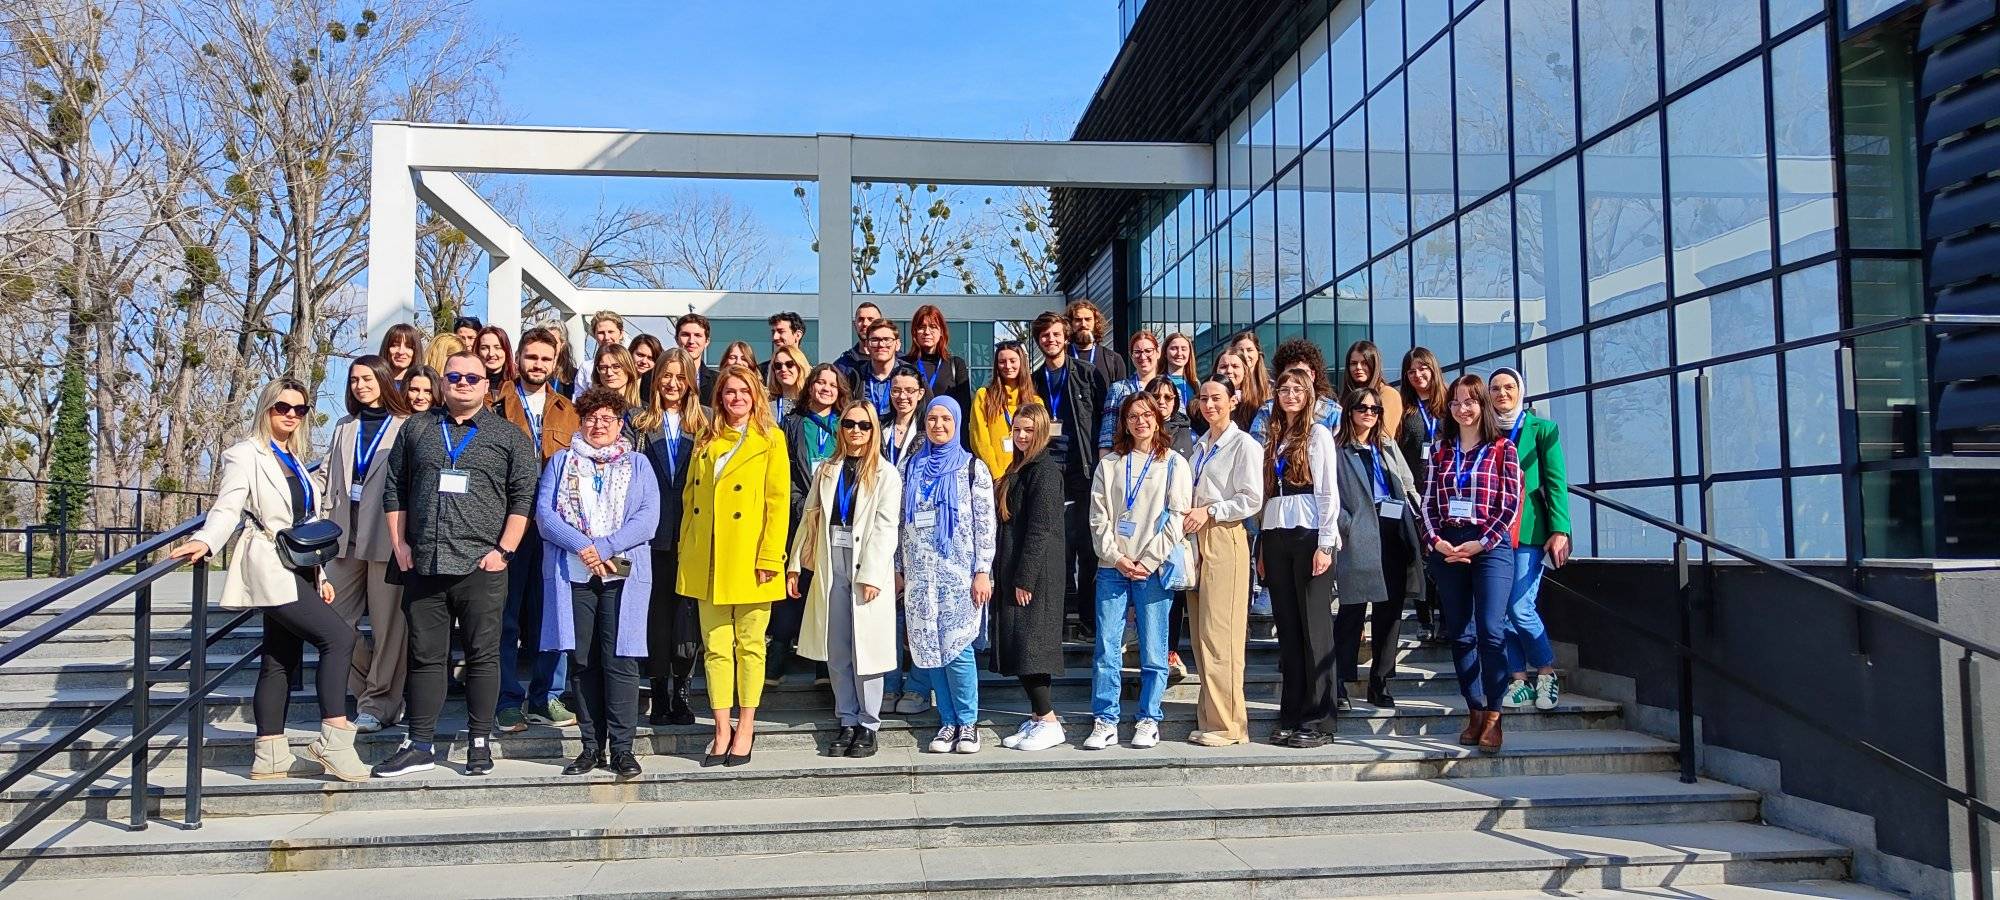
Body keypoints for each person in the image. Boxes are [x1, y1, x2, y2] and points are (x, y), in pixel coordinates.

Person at [167, 379, 369, 783]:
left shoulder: (295, 458)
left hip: (300, 566)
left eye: (300, 409)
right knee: (339, 638)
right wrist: (205, 540)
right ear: (266, 408)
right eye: (282, 407)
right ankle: (334, 740)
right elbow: (228, 508)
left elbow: (306, 522)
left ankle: (270, 755)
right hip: (269, 563)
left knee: (279, 658)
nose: (292, 415)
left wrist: (320, 573)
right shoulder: (245, 454)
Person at [374, 352, 541, 778]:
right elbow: (395, 488)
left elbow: (524, 497)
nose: (462, 383)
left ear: (487, 385)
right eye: (454, 376)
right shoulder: (417, 428)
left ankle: (479, 742)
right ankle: (420, 743)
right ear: (443, 382)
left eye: (472, 377)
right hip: (425, 561)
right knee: (425, 657)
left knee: (483, 656)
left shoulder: (509, 436)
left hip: (481, 566)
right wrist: (399, 544)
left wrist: (504, 551)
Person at [538, 388, 661, 778]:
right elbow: (545, 516)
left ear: (620, 424)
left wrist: (605, 547)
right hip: (574, 575)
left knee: (620, 660)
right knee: (583, 661)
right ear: (581, 422)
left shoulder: (638, 463)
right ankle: (591, 747)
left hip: (622, 576)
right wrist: (584, 548)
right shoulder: (561, 462)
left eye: (607, 418)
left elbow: (647, 518)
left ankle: (622, 749)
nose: (598, 425)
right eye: (591, 418)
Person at [678, 365, 789, 766]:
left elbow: (778, 503)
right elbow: (690, 498)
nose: (737, 397)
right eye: (729, 391)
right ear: (720, 397)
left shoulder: (771, 438)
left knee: (751, 646)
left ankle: (746, 726)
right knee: (716, 648)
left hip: (751, 558)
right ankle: (721, 727)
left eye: (744, 390)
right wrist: (687, 548)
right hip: (707, 557)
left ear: (755, 395)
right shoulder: (706, 438)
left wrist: (769, 556)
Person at [788, 400, 902, 758]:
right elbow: (810, 516)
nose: (856, 431)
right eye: (850, 424)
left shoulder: (886, 474)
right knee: (837, 646)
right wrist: (795, 563)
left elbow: (886, 528)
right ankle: (847, 718)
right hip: (830, 558)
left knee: (865, 648)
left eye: (864, 425)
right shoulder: (827, 469)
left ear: (874, 430)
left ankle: (869, 724)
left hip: (865, 562)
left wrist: (872, 574)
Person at [1083, 392, 1192, 751]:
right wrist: (1116, 557)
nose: (1140, 421)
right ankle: (1105, 719)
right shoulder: (1110, 463)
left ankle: (1149, 717)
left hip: (1153, 569)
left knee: (1154, 650)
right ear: (1125, 423)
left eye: (1147, 415)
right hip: (1112, 567)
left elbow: (1177, 518)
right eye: (1133, 416)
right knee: (1107, 648)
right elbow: (1098, 517)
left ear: (1158, 419)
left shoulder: (1174, 463)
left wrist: (1148, 560)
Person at [1422, 374, 1523, 753]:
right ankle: (1475, 709)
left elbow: (1510, 504)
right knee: (1461, 634)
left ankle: (1495, 714)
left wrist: (1481, 543)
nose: (1462, 409)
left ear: (1483, 404)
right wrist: (1437, 541)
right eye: (1456, 402)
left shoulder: (1502, 449)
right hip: (1449, 544)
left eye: (1470, 401)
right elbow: (1427, 501)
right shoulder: (1440, 450)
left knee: (1491, 631)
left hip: (1489, 545)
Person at [493, 328, 582, 733]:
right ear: (519, 359)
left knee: (553, 614)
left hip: (553, 525)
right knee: (505, 617)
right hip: (507, 523)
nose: (538, 365)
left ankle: (547, 697)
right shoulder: (495, 405)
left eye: (546, 359)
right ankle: (507, 699)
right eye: (532, 357)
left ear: (555, 363)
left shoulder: (569, 410)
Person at [320, 356, 412, 734]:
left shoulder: (405, 425)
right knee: (330, 619)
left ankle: (379, 703)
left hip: (387, 535)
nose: (360, 385)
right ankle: (369, 690)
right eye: (354, 379)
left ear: (384, 380)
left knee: (389, 626)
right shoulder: (344, 426)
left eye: (368, 378)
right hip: (343, 533)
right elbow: (325, 474)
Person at [900, 396, 997, 754]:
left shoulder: (972, 468)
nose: (938, 425)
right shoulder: (910, 467)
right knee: (930, 652)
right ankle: (947, 722)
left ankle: (968, 724)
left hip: (959, 576)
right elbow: (899, 522)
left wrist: (982, 571)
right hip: (920, 575)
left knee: (958, 651)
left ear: (957, 423)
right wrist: (898, 569)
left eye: (946, 419)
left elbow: (985, 524)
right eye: (932, 419)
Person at [1261, 369, 1343, 749]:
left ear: (1309, 394)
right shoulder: (1274, 437)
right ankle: (1291, 714)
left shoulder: (1318, 434)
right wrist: (1262, 548)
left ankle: (1320, 719)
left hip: (1309, 533)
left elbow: (1328, 491)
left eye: (1297, 389)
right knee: (1289, 630)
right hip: (1276, 534)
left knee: (1315, 630)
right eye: (1284, 389)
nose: (1290, 394)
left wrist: (1326, 544)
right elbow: (1267, 495)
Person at [1182, 375, 1263, 747]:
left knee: (1221, 636)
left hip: (1224, 535)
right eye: (1203, 398)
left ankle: (1230, 725)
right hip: (1196, 538)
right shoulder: (1200, 446)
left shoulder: (1244, 444)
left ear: (1234, 400)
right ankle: (1211, 717)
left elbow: (1251, 498)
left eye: (1217, 398)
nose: (1209, 405)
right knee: (1201, 636)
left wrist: (1211, 511)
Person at [1332, 385, 1424, 711]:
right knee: (1353, 609)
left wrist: (1416, 515)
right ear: (1350, 412)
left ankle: (1380, 680)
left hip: (1393, 530)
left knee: (1390, 611)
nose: (1369, 414)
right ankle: (1339, 681)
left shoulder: (1386, 445)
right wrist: (1347, 523)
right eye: (1363, 408)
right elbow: (1329, 494)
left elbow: (1407, 483)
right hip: (1359, 534)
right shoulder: (1337, 449)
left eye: (1375, 409)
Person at [1488, 366, 1571, 712]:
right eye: (1495, 388)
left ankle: (1547, 673)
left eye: (1509, 387)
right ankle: (1519, 680)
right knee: (1502, 609)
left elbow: (1555, 482)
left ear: (1520, 391)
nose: (1502, 394)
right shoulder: (1485, 429)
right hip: (1493, 531)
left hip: (1530, 531)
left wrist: (1560, 529)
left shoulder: (1542, 429)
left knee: (1520, 606)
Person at [989, 402, 1068, 752]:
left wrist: (1025, 578)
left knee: (1031, 647)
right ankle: (1038, 717)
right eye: (1017, 430)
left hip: (1035, 576)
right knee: (1023, 645)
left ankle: (1049, 721)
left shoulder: (1044, 471)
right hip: (1016, 569)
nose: (1021, 436)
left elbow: (1040, 529)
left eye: (1028, 430)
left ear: (1042, 433)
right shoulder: (1020, 466)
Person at [1031, 311, 1108, 642]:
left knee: (1088, 546)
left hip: (1083, 468)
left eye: (1056, 334)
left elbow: (1104, 420)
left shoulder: (1088, 374)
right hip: (1047, 468)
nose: (1051, 340)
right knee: (1054, 546)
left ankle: (1089, 621)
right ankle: (1058, 621)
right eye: (1044, 336)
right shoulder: (1033, 380)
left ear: (1065, 338)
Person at [641, 348, 707, 726]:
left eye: (680, 377)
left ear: (691, 383)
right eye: (666, 375)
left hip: (692, 534)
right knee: (657, 617)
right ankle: (659, 692)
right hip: (652, 537)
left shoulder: (706, 423)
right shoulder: (639, 423)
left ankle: (683, 691)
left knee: (687, 617)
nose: (672, 383)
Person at [774, 363, 848, 684]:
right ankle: (777, 655)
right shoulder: (792, 423)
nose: (826, 389)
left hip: (836, 517)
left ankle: (823, 666)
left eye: (832, 384)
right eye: (820, 383)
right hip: (801, 514)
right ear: (810, 387)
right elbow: (784, 469)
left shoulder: (846, 423)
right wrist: (801, 505)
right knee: (795, 583)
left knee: (828, 588)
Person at [880, 365, 932, 714]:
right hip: (883, 528)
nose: (902, 396)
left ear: (920, 393)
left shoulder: (930, 429)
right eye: (896, 390)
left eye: (909, 390)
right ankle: (888, 684)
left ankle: (918, 686)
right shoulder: (878, 427)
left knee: (919, 611)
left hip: (919, 533)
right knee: (887, 613)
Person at [1146, 374, 1195, 681]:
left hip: (1172, 521)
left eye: (1168, 397)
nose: (1162, 402)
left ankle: (1170, 650)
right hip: (1141, 522)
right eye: (1157, 397)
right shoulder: (1138, 427)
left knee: (1172, 588)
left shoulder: (1185, 431)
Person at [1399, 347, 1449, 643]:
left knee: (1444, 557)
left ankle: (1447, 620)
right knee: (1419, 558)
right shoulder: (1405, 409)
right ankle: (1424, 619)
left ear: (1433, 369)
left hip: (1447, 494)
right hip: (1416, 495)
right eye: (1411, 371)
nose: (1418, 375)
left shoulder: (1450, 406)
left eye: (1423, 368)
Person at [1250, 339, 1342, 442]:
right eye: (1290, 373)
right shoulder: (1268, 411)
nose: (1295, 378)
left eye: (1301, 372)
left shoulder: (1333, 413)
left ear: (1312, 375)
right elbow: (1256, 447)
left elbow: (1340, 450)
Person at [969, 340, 1031, 479]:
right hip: (994, 477)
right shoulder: (984, 396)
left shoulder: (1034, 401)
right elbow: (979, 440)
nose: (1008, 366)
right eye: (1002, 361)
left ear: (1022, 363)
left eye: (1013, 361)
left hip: (1025, 477)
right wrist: (996, 475)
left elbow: (1038, 443)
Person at [1097, 330, 1163, 454]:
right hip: (1126, 456)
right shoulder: (1118, 389)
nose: (1143, 356)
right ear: (1131, 355)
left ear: (1158, 352)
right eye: (1137, 352)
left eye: (1148, 351)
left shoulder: (1169, 390)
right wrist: (1104, 462)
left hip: (1160, 456)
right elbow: (1107, 435)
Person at [903, 304, 973, 417]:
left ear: (941, 332)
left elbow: (964, 409)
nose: (927, 332)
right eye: (921, 327)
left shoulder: (955, 365)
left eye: (933, 326)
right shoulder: (905, 364)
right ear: (914, 332)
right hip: (913, 426)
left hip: (945, 427)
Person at [1343, 340, 1403, 440]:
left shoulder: (1388, 394)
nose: (1358, 367)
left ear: (1374, 365)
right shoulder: (1346, 396)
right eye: (1353, 363)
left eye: (1364, 363)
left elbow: (1383, 435)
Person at [1067, 298, 1129, 386]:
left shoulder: (1113, 359)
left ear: (1096, 323)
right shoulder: (1060, 357)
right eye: (1078, 320)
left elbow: (1120, 393)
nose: (1083, 324)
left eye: (1088, 319)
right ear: (1070, 323)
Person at [852, 319, 901, 419]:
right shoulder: (854, 376)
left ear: (897, 344)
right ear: (867, 345)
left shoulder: (911, 376)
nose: (881, 345)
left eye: (887, 339)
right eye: (875, 340)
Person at [833, 301, 884, 382]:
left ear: (881, 324)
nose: (865, 323)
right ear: (855, 324)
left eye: (870, 319)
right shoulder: (842, 365)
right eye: (861, 319)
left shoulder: (897, 362)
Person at [676, 313, 720, 404]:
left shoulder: (718, 381)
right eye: (685, 335)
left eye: (697, 335)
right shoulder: (654, 377)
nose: (691, 341)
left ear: (707, 341)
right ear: (677, 339)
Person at [1229, 331, 1272, 423]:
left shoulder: (1271, 386)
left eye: (1249, 350)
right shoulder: (1230, 385)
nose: (1245, 355)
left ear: (1258, 353)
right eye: (1240, 350)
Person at [765, 344, 809, 420]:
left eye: (789, 364)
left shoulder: (811, 405)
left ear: (800, 367)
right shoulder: (767, 408)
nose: (783, 369)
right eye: (778, 365)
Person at [475, 326, 517, 400]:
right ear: (477, 351)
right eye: (484, 348)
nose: (491, 354)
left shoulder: (518, 382)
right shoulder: (469, 382)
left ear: (506, 351)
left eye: (497, 347)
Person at [379, 323, 425, 391]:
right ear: (386, 348)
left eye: (409, 347)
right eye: (395, 345)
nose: (401, 352)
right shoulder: (375, 383)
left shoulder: (425, 385)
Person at [763, 311, 806, 380]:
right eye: (773, 332)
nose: (775, 337)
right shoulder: (761, 371)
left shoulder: (812, 375)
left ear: (798, 335)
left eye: (781, 331)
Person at [1162, 332, 1198, 409]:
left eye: (1183, 349)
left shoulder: (1195, 383)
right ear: (1165, 352)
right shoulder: (1157, 381)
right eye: (1174, 348)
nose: (1179, 353)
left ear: (1189, 353)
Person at [630, 333, 665, 404]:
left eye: (650, 358)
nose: (644, 361)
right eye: (640, 355)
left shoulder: (657, 386)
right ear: (631, 352)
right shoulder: (616, 377)